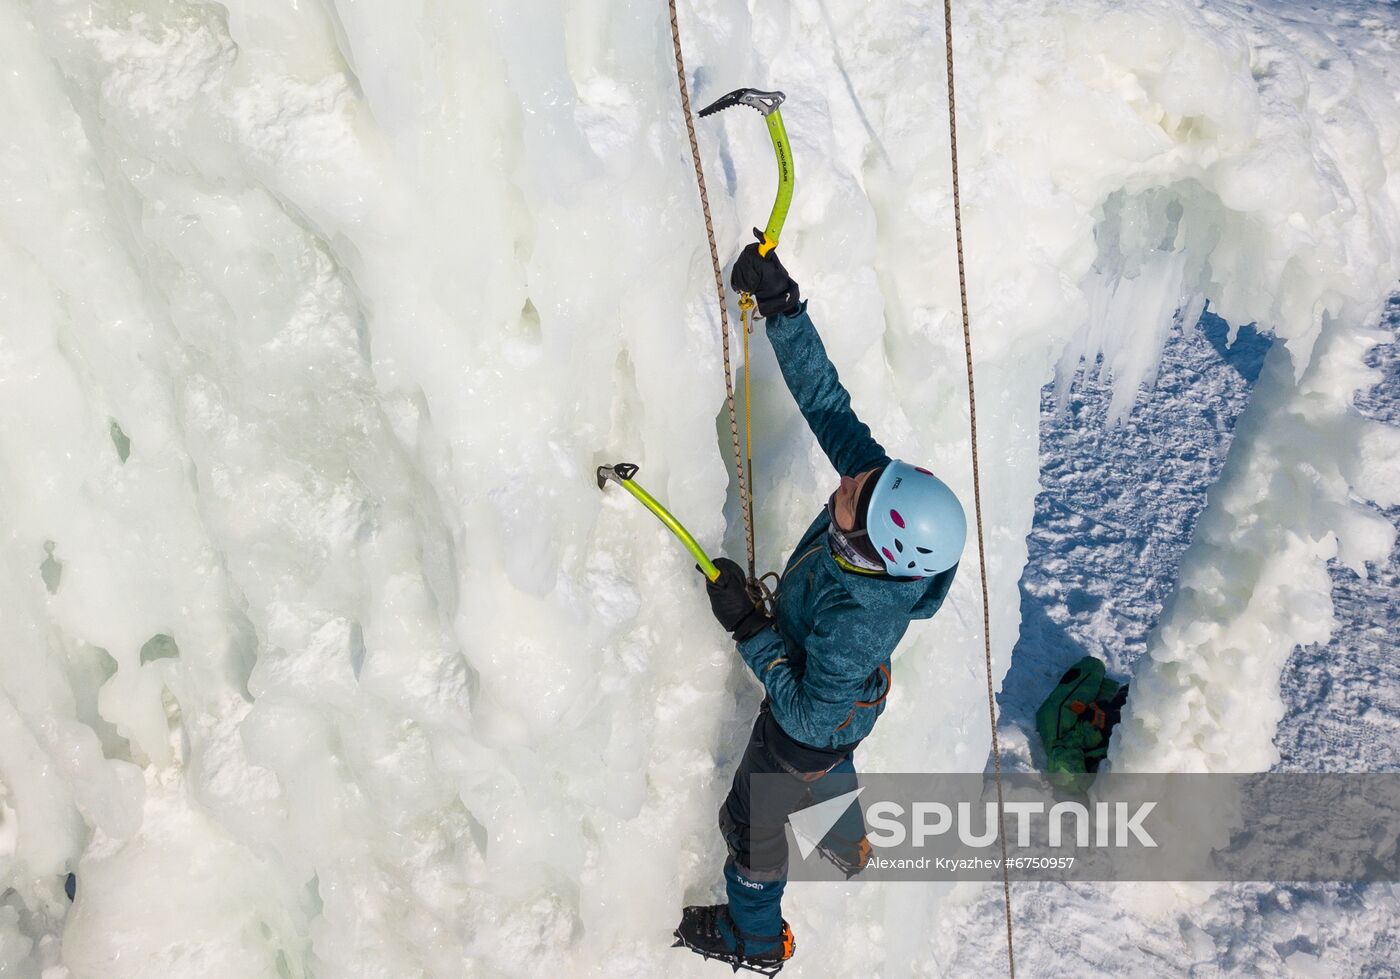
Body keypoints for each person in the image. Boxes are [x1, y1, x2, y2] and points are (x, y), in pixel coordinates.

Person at [673, 234, 968, 974]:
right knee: (834, 754)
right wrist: (783, 309)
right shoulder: (874, 523)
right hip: (849, 703)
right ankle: (844, 837)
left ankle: (756, 937)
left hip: (811, 721)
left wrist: (749, 626)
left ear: (873, 550)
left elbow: (804, 715)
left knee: (753, 827)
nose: (848, 483)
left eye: (855, 498)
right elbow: (829, 409)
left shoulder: (856, 616)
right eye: (862, 480)